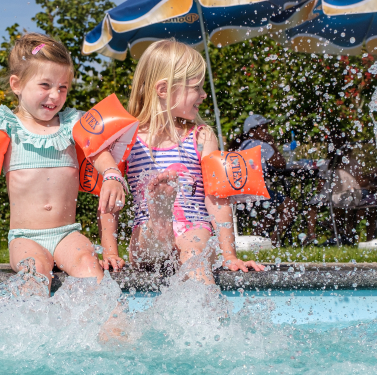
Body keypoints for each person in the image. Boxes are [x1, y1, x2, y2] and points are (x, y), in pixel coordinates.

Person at [0, 33, 125, 287]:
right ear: (17, 84)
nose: (55, 95)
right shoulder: (6, 127)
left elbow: (98, 154)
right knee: (35, 271)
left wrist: (112, 174)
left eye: (62, 87)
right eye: (45, 85)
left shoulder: (73, 124)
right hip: (25, 237)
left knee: (89, 265)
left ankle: (113, 326)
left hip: (67, 233)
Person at [100, 40, 263, 281]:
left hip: (194, 227)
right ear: (164, 89)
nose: (204, 94)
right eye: (196, 87)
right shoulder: (126, 139)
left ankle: (162, 217)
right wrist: (110, 253)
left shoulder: (201, 136)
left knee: (194, 253)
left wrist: (229, 256)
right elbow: (110, 199)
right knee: (153, 241)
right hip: (148, 235)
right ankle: (160, 218)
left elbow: (217, 197)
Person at [233, 114, 297, 246]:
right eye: (263, 128)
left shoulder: (241, 145)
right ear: (252, 131)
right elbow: (281, 164)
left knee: (274, 209)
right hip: (253, 192)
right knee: (290, 206)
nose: (267, 131)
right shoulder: (260, 144)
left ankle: (256, 239)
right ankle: (273, 243)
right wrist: (272, 144)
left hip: (238, 192)